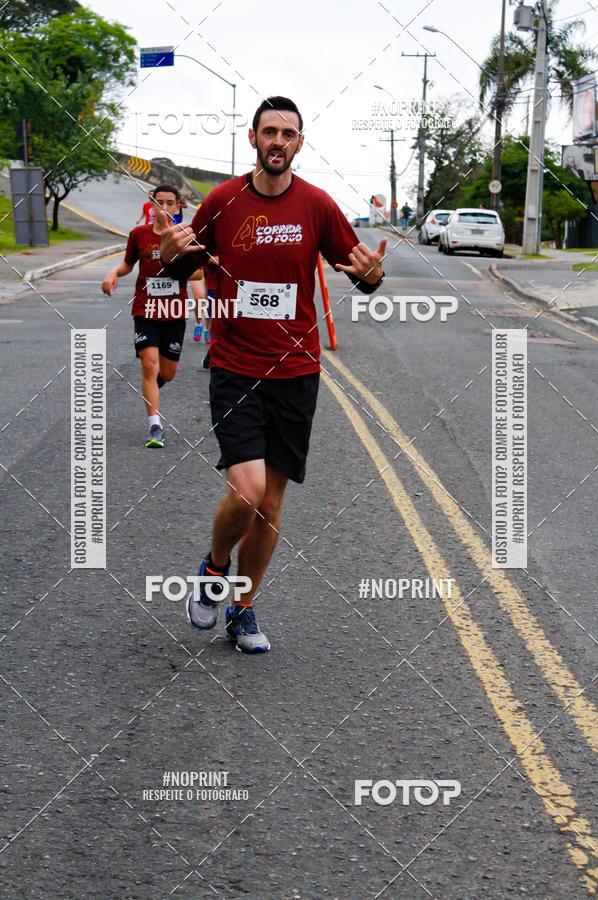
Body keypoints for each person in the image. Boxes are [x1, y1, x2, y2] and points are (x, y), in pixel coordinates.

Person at [157, 96, 386, 653]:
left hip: (297, 370)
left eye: (289, 133)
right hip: (235, 367)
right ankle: (214, 571)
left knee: (272, 504)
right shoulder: (223, 200)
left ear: (299, 143)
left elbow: (358, 269)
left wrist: (373, 277)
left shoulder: (317, 205)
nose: (278, 141)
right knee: (248, 488)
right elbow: (183, 260)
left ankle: (243, 608)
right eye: (270, 132)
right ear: (253, 138)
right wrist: (168, 252)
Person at [102, 184, 199, 448]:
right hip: (145, 308)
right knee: (149, 363)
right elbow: (127, 264)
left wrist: (182, 269)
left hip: (174, 312)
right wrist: (112, 273)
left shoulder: (185, 237)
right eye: (160, 203)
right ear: (151, 204)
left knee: (167, 372)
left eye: (170, 203)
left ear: (178, 206)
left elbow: (198, 274)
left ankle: (151, 389)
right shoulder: (138, 235)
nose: (165, 208)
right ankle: (155, 427)